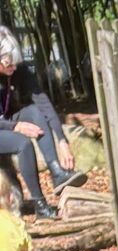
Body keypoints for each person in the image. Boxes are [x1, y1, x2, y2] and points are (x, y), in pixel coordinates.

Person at [0, 26, 71, 219]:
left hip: (5, 120)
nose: (13, 68)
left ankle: (56, 171)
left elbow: (44, 103)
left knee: (36, 111)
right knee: (22, 144)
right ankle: (40, 203)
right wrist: (15, 127)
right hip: (4, 125)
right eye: (8, 64)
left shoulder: (18, 70)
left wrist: (63, 140)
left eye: (15, 63)